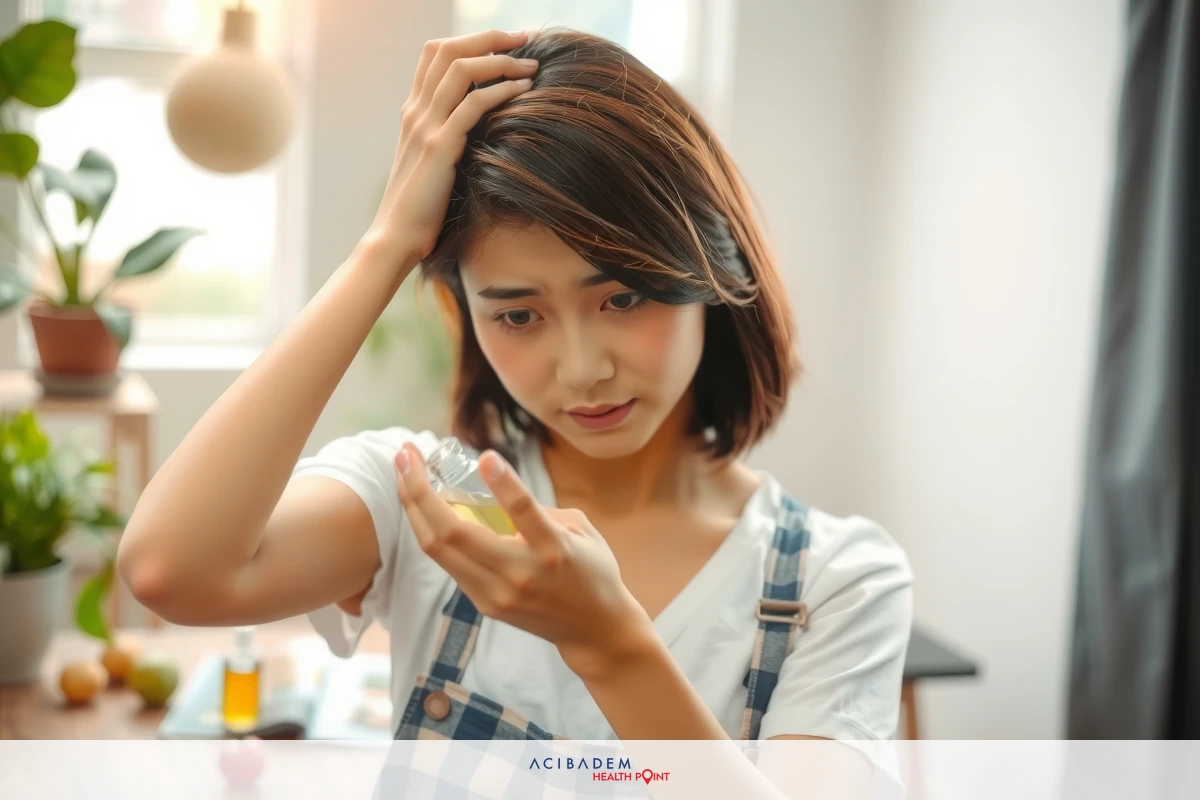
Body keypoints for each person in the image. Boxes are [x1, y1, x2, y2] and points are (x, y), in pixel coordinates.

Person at [116, 27, 913, 749]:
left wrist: (610, 645)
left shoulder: (835, 581)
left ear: (710, 268)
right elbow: (170, 571)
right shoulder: (432, 506)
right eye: (518, 316)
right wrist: (387, 245)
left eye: (623, 299)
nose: (582, 369)